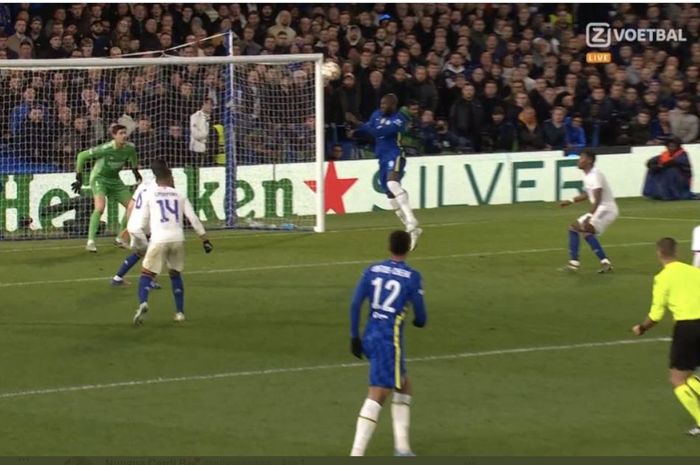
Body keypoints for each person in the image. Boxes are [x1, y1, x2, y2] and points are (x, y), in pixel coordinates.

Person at [348, 230, 427, 456]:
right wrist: (419, 320)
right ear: (408, 247)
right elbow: (421, 316)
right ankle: (356, 453)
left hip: (371, 333)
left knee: (404, 385)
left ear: (389, 247)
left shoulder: (371, 270)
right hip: (388, 341)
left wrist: (354, 336)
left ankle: (402, 448)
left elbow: (355, 304)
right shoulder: (411, 276)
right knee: (378, 394)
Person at [631, 237, 700, 436]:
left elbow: (656, 315)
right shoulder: (694, 272)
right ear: (676, 252)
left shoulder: (663, 278)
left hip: (687, 328)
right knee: (690, 375)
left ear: (659, 253)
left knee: (677, 378)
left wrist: (642, 328)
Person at [132, 167, 213, 325]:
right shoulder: (179, 195)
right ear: (168, 178)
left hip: (159, 239)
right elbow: (193, 219)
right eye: (173, 178)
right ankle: (180, 313)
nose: (174, 180)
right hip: (177, 239)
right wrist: (205, 240)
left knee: (146, 274)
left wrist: (144, 239)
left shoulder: (150, 195)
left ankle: (143, 302)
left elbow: (142, 223)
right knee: (175, 274)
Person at [348, 94, 422, 250]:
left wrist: (359, 123)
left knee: (392, 183)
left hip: (395, 154)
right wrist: (355, 130)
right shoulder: (375, 114)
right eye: (381, 103)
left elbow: (379, 132)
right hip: (381, 158)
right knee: (390, 196)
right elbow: (370, 129)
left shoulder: (399, 119)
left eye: (386, 104)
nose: (382, 106)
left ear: (393, 105)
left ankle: (411, 220)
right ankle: (412, 230)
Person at [71, 124, 142, 253]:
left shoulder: (129, 148)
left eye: (125, 133)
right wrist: (79, 177)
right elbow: (81, 156)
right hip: (99, 179)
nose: (124, 135)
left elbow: (133, 156)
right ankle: (90, 241)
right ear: (114, 136)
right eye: (120, 133)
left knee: (133, 206)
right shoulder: (106, 148)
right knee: (100, 207)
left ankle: (120, 238)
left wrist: (135, 171)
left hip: (115, 180)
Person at [111, 159, 170, 288]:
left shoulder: (144, 185)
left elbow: (131, 206)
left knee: (140, 253)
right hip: (145, 225)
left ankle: (117, 278)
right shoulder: (161, 188)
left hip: (136, 224)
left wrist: (128, 225)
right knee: (155, 252)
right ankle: (149, 280)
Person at [559, 150, 618, 273]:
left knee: (585, 229)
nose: (579, 161)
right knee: (574, 228)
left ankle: (603, 263)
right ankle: (576, 263)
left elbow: (598, 198)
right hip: (600, 208)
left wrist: (590, 216)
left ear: (589, 160)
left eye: (581, 158)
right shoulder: (587, 175)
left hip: (606, 208)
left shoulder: (595, 175)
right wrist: (570, 201)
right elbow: (587, 194)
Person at [642, 136, 694, 201]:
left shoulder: (683, 155)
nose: (671, 147)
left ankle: (670, 195)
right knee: (652, 169)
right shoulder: (665, 154)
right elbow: (650, 162)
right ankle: (652, 193)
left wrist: (660, 166)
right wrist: (653, 166)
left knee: (671, 170)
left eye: (673, 146)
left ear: (678, 147)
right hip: (668, 178)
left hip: (682, 181)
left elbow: (671, 163)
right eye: (669, 146)